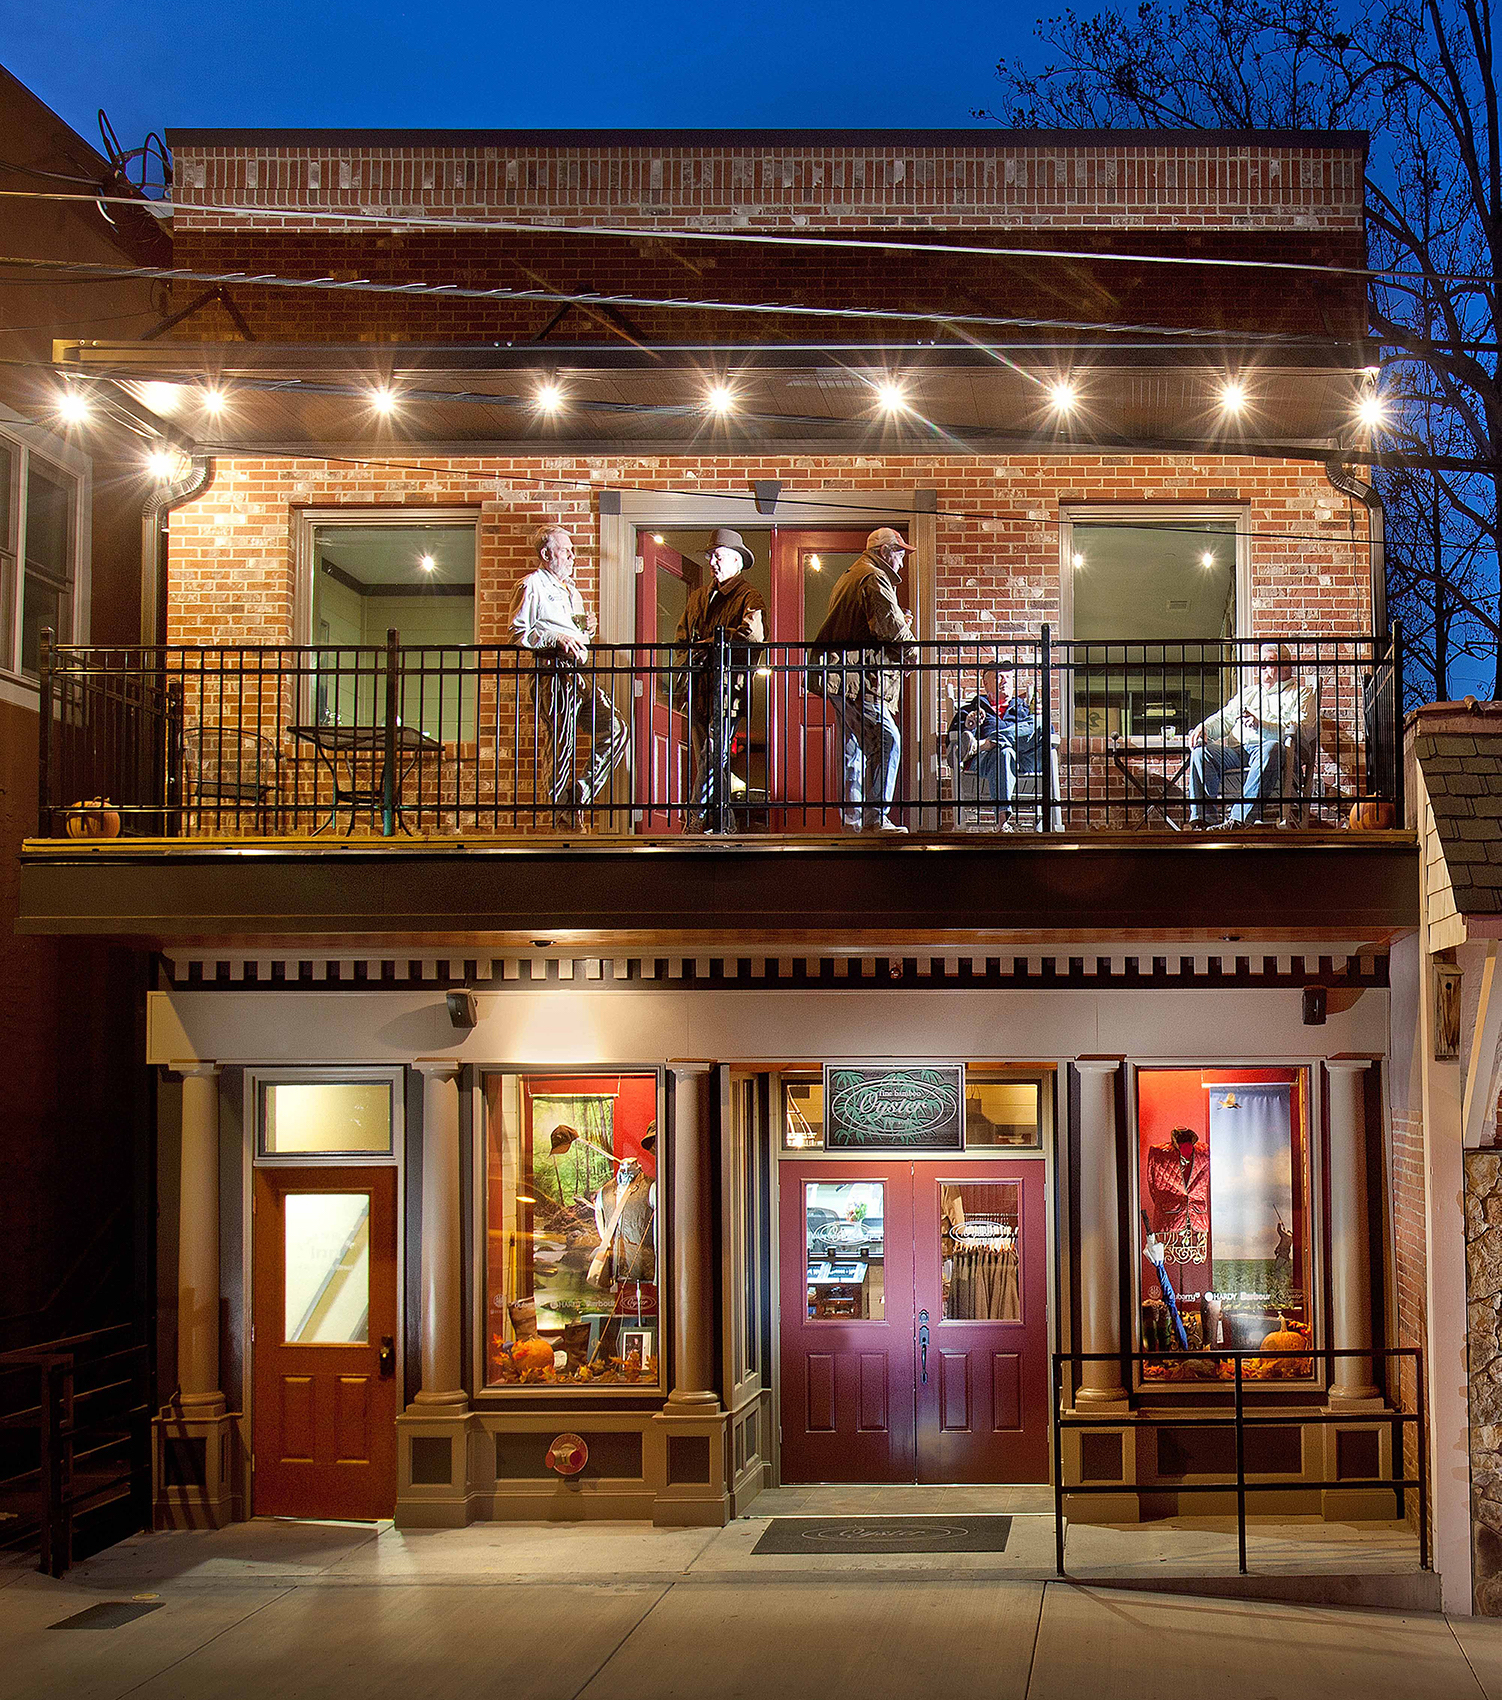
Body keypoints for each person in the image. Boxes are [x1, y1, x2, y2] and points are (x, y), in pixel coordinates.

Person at [509, 525, 628, 828]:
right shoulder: (531, 585)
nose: (573, 556)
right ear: (546, 554)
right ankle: (561, 819)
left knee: (616, 730)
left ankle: (578, 796)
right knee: (562, 743)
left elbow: (577, 635)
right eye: (566, 550)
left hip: (580, 676)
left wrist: (586, 629)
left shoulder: (571, 590)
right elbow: (517, 632)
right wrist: (556, 639)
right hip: (553, 675)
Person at [809, 527, 919, 833]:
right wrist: (912, 656)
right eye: (899, 553)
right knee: (887, 741)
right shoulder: (873, 577)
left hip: (842, 678)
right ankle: (874, 819)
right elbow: (891, 628)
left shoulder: (852, 575)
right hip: (858, 681)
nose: (902, 561)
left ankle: (853, 824)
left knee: (854, 750)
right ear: (884, 552)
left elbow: (869, 624)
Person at [674, 528, 767, 833]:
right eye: (710, 555)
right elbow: (681, 640)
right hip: (699, 688)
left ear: (737, 561)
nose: (712, 561)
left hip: (729, 690)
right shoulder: (699, 596)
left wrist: (714, 642)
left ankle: (694, 820)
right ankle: (725, 823)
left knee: (713, 752)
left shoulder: (748, 595)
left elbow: (752, 637)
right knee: (713, 759)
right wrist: (684, 676)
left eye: (719, 555)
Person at [1187, 643, 1316, 825]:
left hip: (1275, 755)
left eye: (1267, 662)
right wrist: (1204, 727)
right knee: (1201, 753)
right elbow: (1224, 718)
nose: (1261, 666)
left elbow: (1303, 730)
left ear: (1286, 666)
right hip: (1238, 752)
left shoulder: (1301, 694)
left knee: (1271, 748)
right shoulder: (1249, 693)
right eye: (1260, 662)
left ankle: (1239, 820)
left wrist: (1261, 725)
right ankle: (1203, 821)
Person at [946, 661, 1039, 830]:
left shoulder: (1024, 710)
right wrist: (970, 725)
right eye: (999, 677)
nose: (1005, 681)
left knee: (1041, 722)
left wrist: (989, 742)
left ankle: (985, 743)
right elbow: (955, 743)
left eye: (1009, 677)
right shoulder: (972, 708)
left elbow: (1046, 732)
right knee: (1004, 752)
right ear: (986, 683)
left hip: (1023, 761)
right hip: (987, 761)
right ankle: (1003, 821)